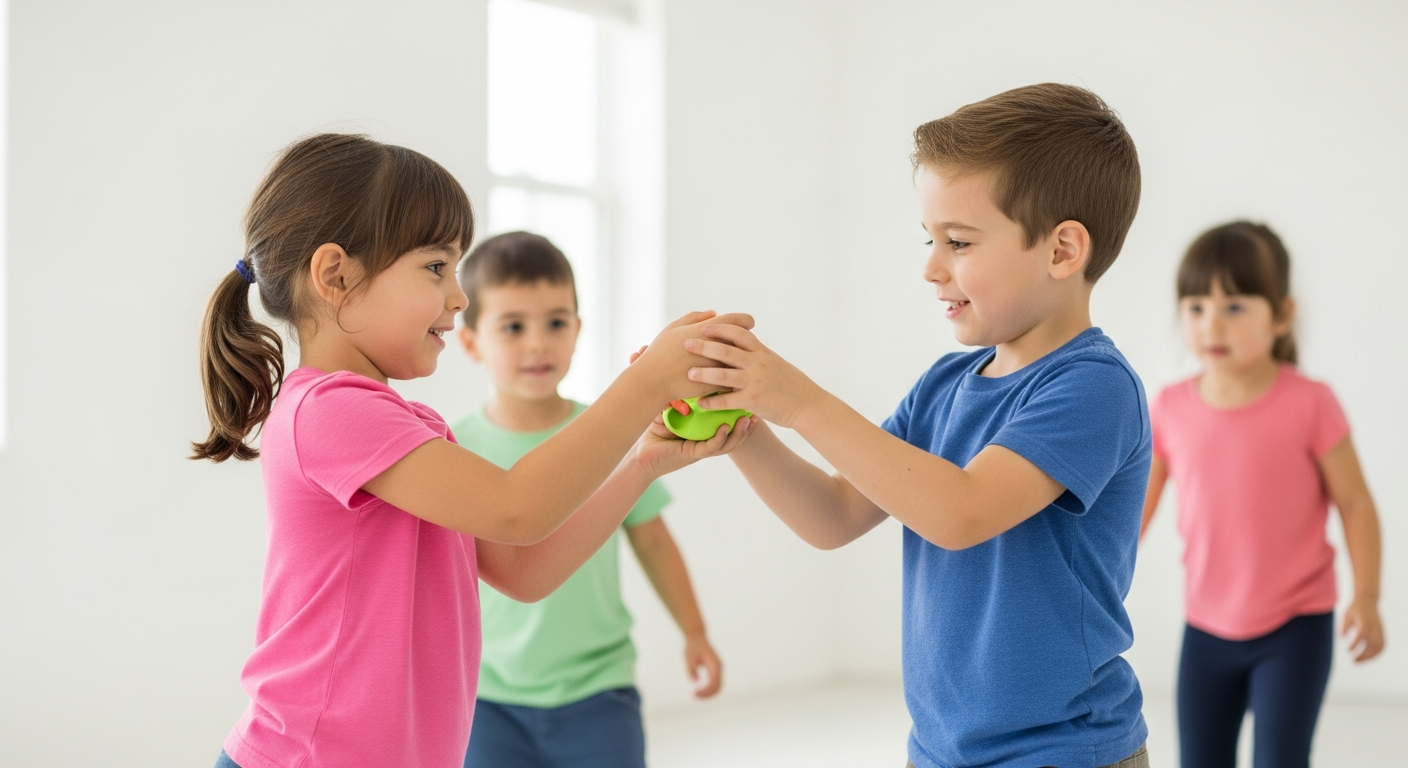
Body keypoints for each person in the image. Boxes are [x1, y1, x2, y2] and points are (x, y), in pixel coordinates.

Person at [192, 133, 753, 768]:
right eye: (436, 267)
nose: (458, 297)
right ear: (336, 275)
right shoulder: (328, 410)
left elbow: (523, 568)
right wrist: (646, 382)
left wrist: (646, 459)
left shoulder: (405, 424)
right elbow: (519, 508)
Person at [683, 83, 1152, 767]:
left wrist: (800, 400)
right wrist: (747, 426)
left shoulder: (1093, 386)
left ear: (1062, 251)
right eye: (930, 239)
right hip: (940, 751)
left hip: (1066, 751)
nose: (932, 268)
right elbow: (835, 514)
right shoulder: (943, 387)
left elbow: (960, 513)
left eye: (958, 241)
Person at [451, 231, 725, 768]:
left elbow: (652, 539)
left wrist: (695, 632)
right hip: (487, 698)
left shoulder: (607, 432)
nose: (538, 343)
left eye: (556, 323)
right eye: (513, 326)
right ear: (470, 342)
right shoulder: (454, 449)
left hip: (600, 689)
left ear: (577, 330)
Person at [1141, 221, 1385, 768]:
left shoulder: (1311, 403)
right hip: (1205, 627)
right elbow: (1135, 512)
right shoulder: (1171, 407)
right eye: (1197, 306)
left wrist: (1366, 597)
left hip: (1296, 626)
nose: (1211, 324)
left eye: (1235, 306)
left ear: (1281, 316)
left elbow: (1356, 504)